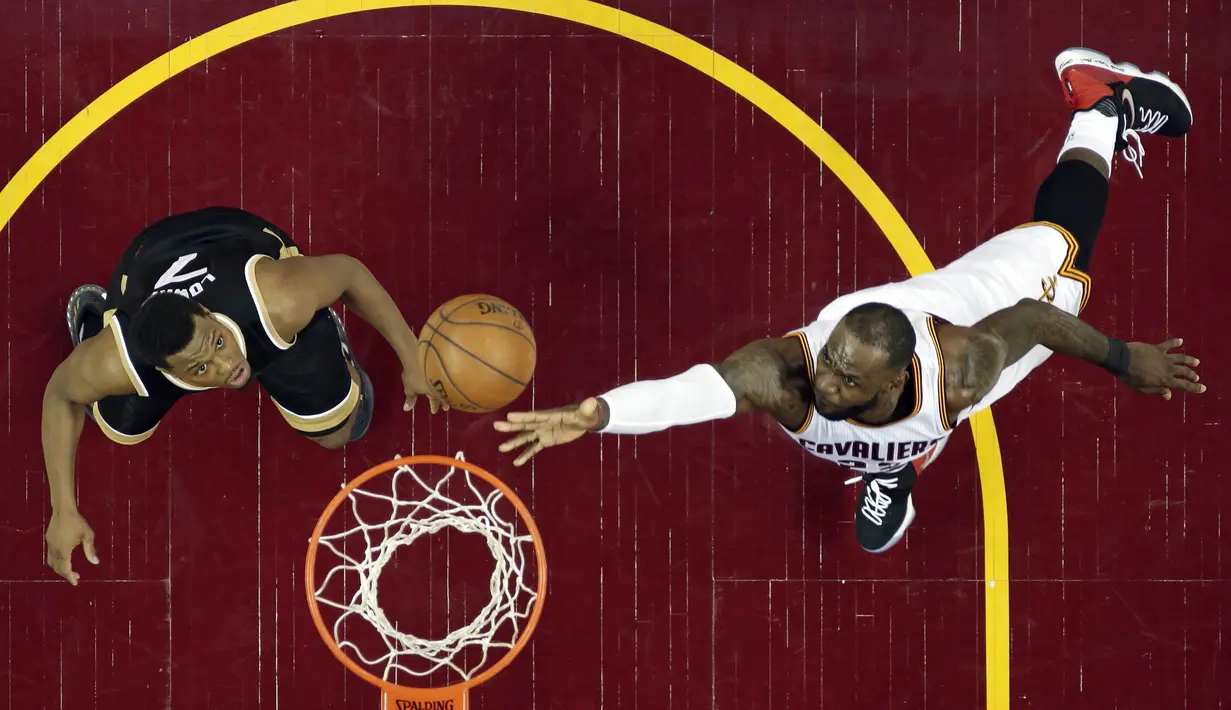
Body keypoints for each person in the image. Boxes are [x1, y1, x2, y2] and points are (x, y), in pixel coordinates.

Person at [493, 48, 1206, 554]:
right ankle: (893, 462)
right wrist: (598, 415)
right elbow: (696, 394)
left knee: (1065, 245)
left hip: (978, 306)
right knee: (915, 420)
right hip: (906, 352)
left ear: (891, 380)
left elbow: (1033, 319)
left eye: (842, 380)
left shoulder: (966, 365)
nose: (823, 383)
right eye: (829, 366)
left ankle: (1101, 100)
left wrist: (1123, 359)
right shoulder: (789, 375)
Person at [43, 206, 444, 585]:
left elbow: (350, 273)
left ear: (204, 313)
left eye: (217, 342)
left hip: (237, 247)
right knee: (118, 424)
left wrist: (411, 356)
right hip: (148, 267)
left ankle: (319, 332)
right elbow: (60, 394)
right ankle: (98, 323)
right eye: (201, 369)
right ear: (167, 372)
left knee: (341, 431)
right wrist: (63, 509)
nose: (225, 366)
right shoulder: (124, 362)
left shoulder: (280, 298)